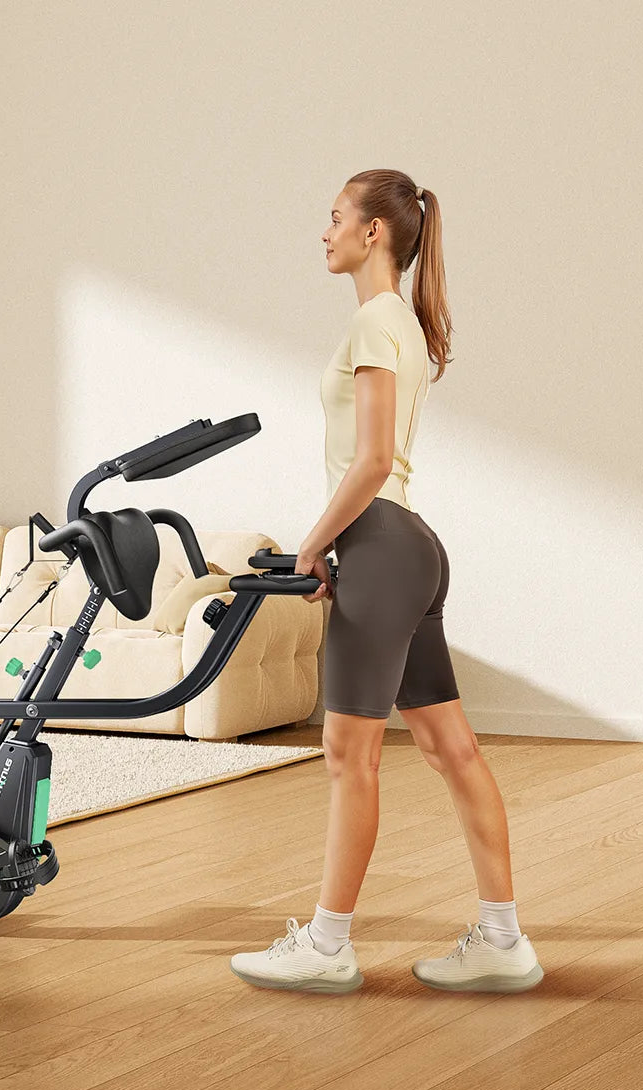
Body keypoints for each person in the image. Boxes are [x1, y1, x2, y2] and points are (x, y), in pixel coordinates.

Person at [230, 169, 543, 996]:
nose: (324, 231)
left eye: (335, 217)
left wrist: (313, 545)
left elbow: (370, 461)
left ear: (373, 232)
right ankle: (503, 940)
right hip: (410, 548)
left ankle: (327, 945)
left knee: (348, 755)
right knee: (449, 747)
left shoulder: (374, 321)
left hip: (379, 545)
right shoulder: (403, 320)